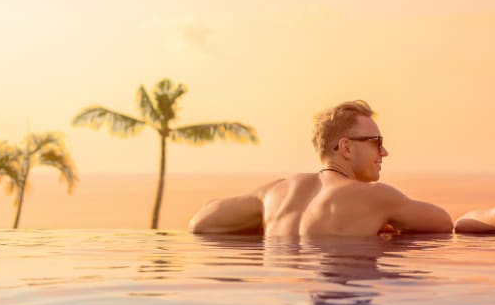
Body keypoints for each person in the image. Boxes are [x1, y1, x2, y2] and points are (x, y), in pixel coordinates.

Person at [189, 100, 453, 236]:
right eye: (376, 142)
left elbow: (200, 222)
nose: (384, 152)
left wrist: (263, 221)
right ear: (346, 148)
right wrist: (382, 217)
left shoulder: (275, 193)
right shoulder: (375, 196)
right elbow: (444, 223)